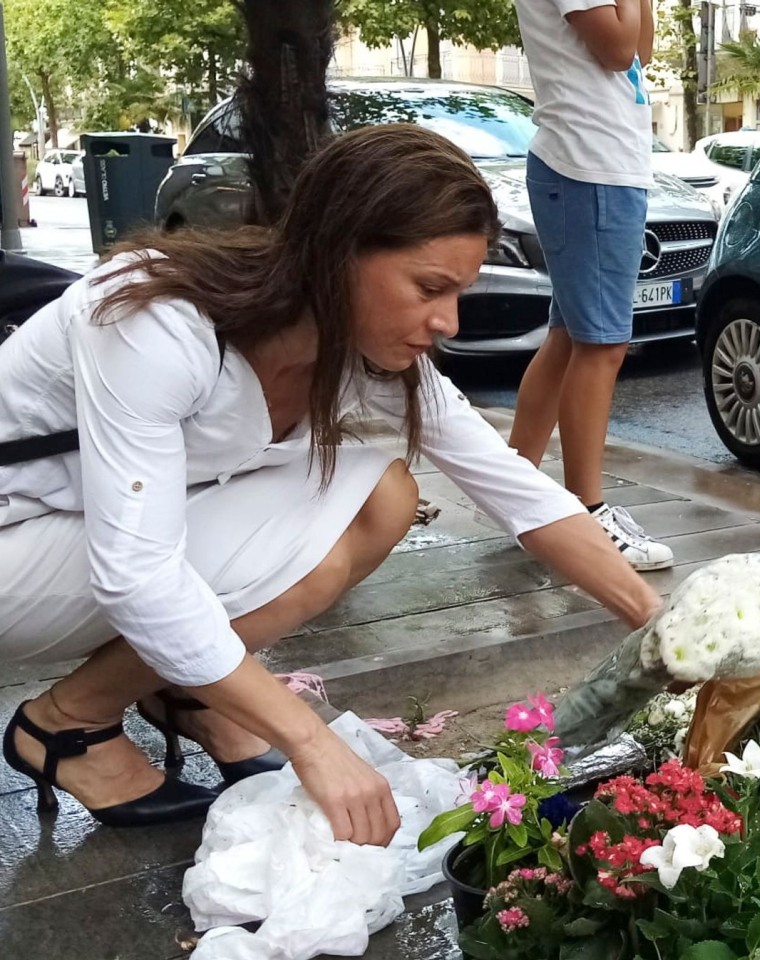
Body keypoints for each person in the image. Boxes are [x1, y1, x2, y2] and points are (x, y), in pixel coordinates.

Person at [0, 125, 662, 844]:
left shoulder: (365, 356)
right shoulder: (157, 322)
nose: (446, 323)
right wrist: (313, 744)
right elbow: (137, 576)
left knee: (381, 494)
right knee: (300, 535)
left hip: (85, 529)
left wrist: (666, 634)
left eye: (459, 293)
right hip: (15, 541)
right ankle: (67, 724)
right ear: (337, 251)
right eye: (429, 288)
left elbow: (518, 490)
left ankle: (190, 686)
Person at [508, 0, 675, 571]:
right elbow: (618, 49)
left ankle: (518, 495)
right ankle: (588, 512)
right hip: (587, 167)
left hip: (599, 167)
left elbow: (641, 50)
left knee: (568, 341)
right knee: (601, 345)